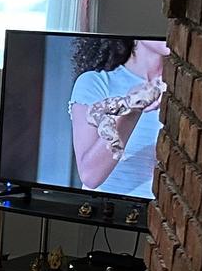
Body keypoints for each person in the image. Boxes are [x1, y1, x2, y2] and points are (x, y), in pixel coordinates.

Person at [68, 38, 169, 199]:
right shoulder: (96, 83)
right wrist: (132, 108)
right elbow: (90, 176)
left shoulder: (186, 90)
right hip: (107, 214)